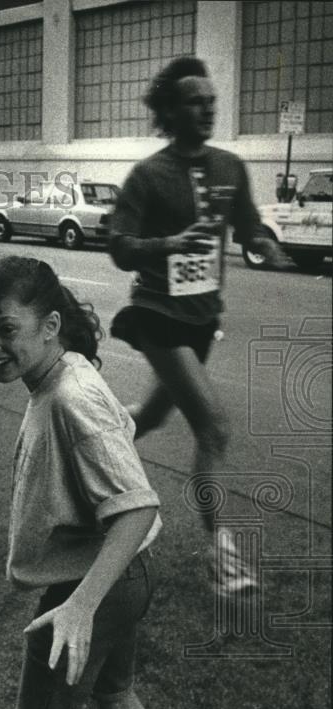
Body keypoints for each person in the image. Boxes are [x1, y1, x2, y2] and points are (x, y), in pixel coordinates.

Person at [0, 252, 168, 709]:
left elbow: (137, 507)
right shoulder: (70, 371)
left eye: (6, 329)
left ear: (51, 326)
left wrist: (81, 606)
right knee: (116, 697)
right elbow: (115, 434)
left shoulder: (70, 397)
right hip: (123, 574)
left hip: (93, 583)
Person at [108, 56, 289, 598]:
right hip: (158, 316)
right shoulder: (147, 175)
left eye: (212, 100)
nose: (207, 109)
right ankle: (221, 553)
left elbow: (249, 226)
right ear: (169, 110)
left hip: (203, 320)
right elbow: (119, 248)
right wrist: (168, 244)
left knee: (154, 416)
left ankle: (92, 445)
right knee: (213, 428)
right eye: (194, 101)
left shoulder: (231, 167)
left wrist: (264, 243)